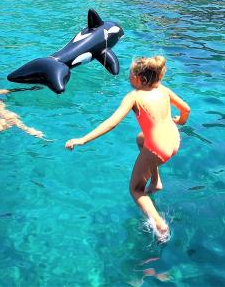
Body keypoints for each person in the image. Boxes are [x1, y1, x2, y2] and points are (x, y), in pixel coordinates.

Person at [65, 56, 190, 239]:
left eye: (131, 74)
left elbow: (111, 123)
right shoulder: (163, 90)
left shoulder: (134, 97)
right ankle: (156, 181)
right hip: (173, 141)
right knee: (141, 139)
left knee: (136, 189)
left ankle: (159, 224)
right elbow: (186, 109)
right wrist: (180, 121)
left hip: (158, 148)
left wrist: (83, 139)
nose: (128, 77)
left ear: (140, 79)